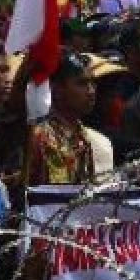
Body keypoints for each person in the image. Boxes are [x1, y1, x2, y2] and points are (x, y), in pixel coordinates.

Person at [27, 51, 98, 186]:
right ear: (57, 89)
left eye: (92, 83)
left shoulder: (80, 132)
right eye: (82, 83)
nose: (91, 91)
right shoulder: (38, 135)